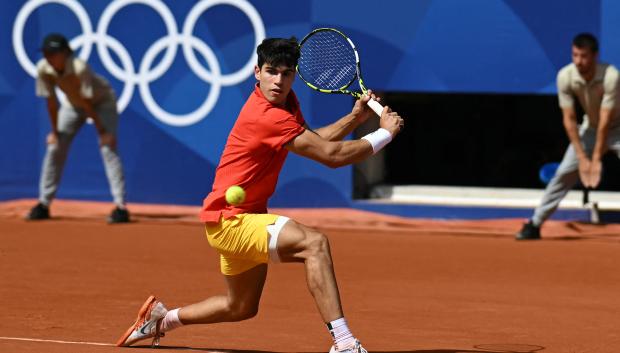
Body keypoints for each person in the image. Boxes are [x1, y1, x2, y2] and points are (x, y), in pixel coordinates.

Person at [117, 37, 404, 352]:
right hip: (231, 222)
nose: (278, 81)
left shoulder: (286, 103)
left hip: (242, 218)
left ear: (294, 75)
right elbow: (331, 156)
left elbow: (312, 141)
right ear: (257, 71)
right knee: (315, 244)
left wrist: (355, 119)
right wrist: (385, 133)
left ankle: (160, 320)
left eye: (286, 73)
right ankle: (345, 343)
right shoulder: (267, 115)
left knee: (240, 306)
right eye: (271, 72)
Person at [516, 33, 620, 240]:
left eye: (584, 56)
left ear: (595, 56)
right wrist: (582, 158)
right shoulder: (565, 76)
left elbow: (606, 121)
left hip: (617, 128)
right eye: (575, 55)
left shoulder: (611, 76)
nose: (579, 61)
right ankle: (535, 224)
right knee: (563, 173)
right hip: (590, 129)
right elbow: (569, 119)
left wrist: (596, 159)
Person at [26, 33, 130, 223]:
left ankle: (120, 207)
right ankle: (43, 204)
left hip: (101, 104)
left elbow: (88, 103)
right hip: (73, 105)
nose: (48, 57)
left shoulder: (79, 67)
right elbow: (51, 102)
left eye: (53, 53)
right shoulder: (43, 69)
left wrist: (103, 132)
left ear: (65, 53)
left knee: (108, 148)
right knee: (54, 148)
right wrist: (55, 132)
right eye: (46, 53)